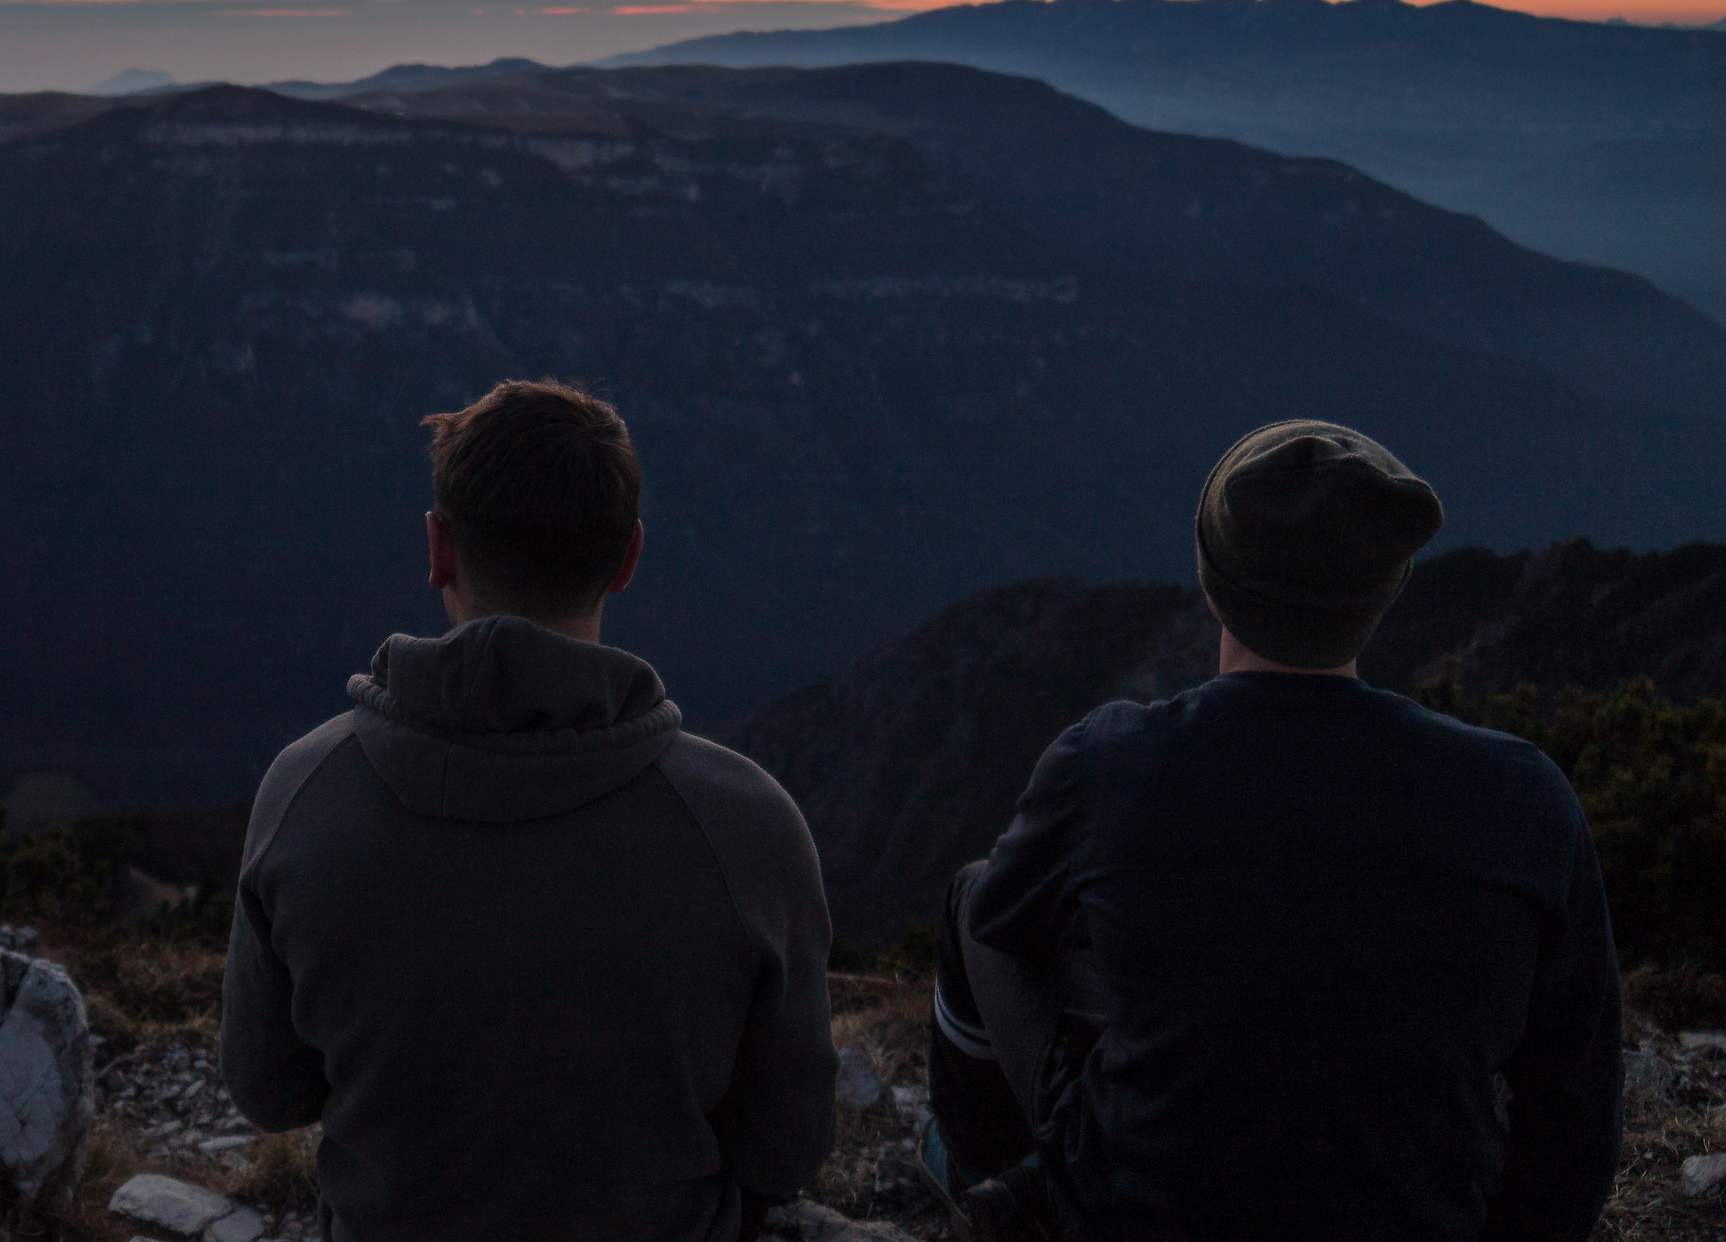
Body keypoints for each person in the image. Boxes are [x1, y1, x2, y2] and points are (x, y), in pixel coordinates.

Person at [917, 420, 1624, 1242]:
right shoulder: (1526, 797)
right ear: (1386, 588)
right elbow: (1578, 1105)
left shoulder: (1107, 765)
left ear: (1212, 583)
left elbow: (1009, 920)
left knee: (977, 897)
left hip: (1130, 1217)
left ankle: (986, 1172)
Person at [222, 379, 838, 1242]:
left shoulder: (306, 793)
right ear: (627, 559)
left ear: (439, 549)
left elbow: (268, 1090)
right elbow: (786, 1146)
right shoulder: (747, 828)